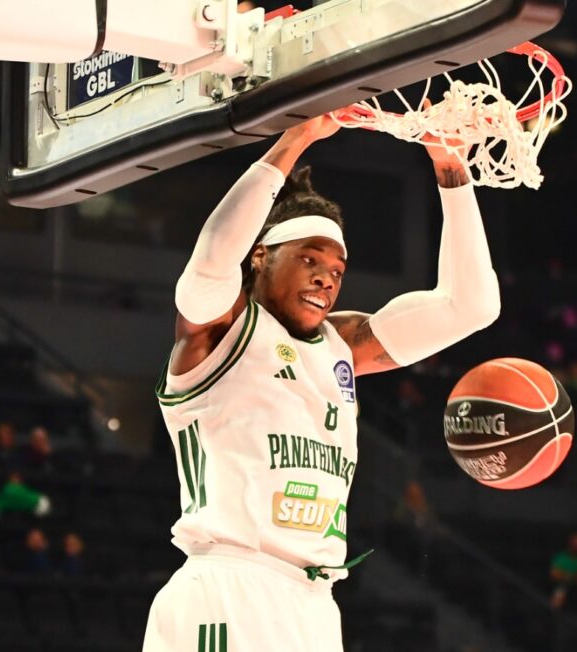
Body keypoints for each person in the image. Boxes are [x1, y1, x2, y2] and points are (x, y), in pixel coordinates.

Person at [144, 114, 500, 652]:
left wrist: (451, 168)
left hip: (314, 602)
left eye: (337, 271)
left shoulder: (342, 346)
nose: (325, 278)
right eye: (309, 259)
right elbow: (210, 263)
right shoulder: (221, 330)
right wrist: (297, 138)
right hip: (230, 583)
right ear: (260, 255)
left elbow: (471, 307)